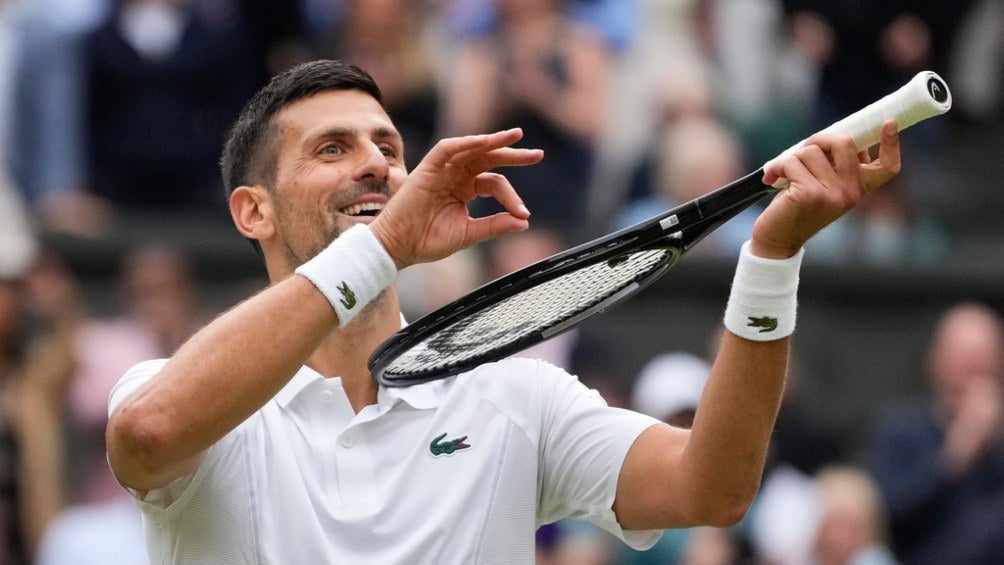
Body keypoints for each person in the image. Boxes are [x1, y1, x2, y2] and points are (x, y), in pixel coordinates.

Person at [104, 59, 901, 563]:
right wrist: (380, 249)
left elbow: (714, 488)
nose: (377, 165)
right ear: (253, 212)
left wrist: (772, 257)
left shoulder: (518, 399)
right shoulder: (174, 391)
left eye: (388, 147)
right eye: (332, 148)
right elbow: (150, 434)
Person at [866, 301, 1004, 564]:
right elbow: (888, 515)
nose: (975, 367)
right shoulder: (900, 431)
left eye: (984, 355)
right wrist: (958, 451)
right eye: (965, 356)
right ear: (936, 359)